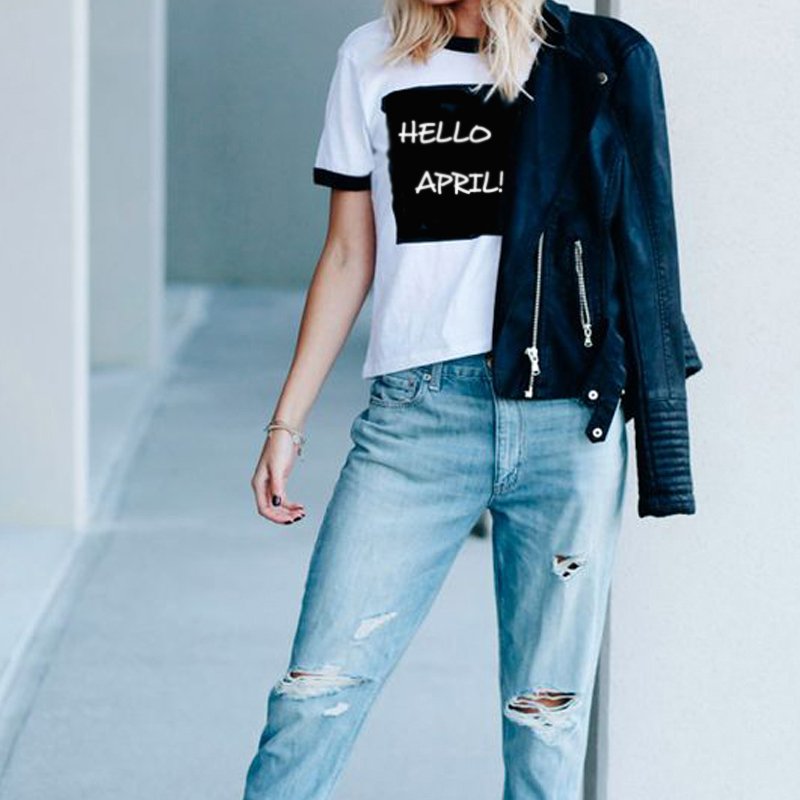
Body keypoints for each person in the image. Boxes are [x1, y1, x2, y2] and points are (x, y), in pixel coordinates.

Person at [243, 1, 702, 798]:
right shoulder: (371, 58)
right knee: (315, 695)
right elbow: (349, 253)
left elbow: (647, 252)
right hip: (417, 415)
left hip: (568, 422)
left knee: (545, 725)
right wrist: (288, 422)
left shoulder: (599, 60)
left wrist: (661, 437)